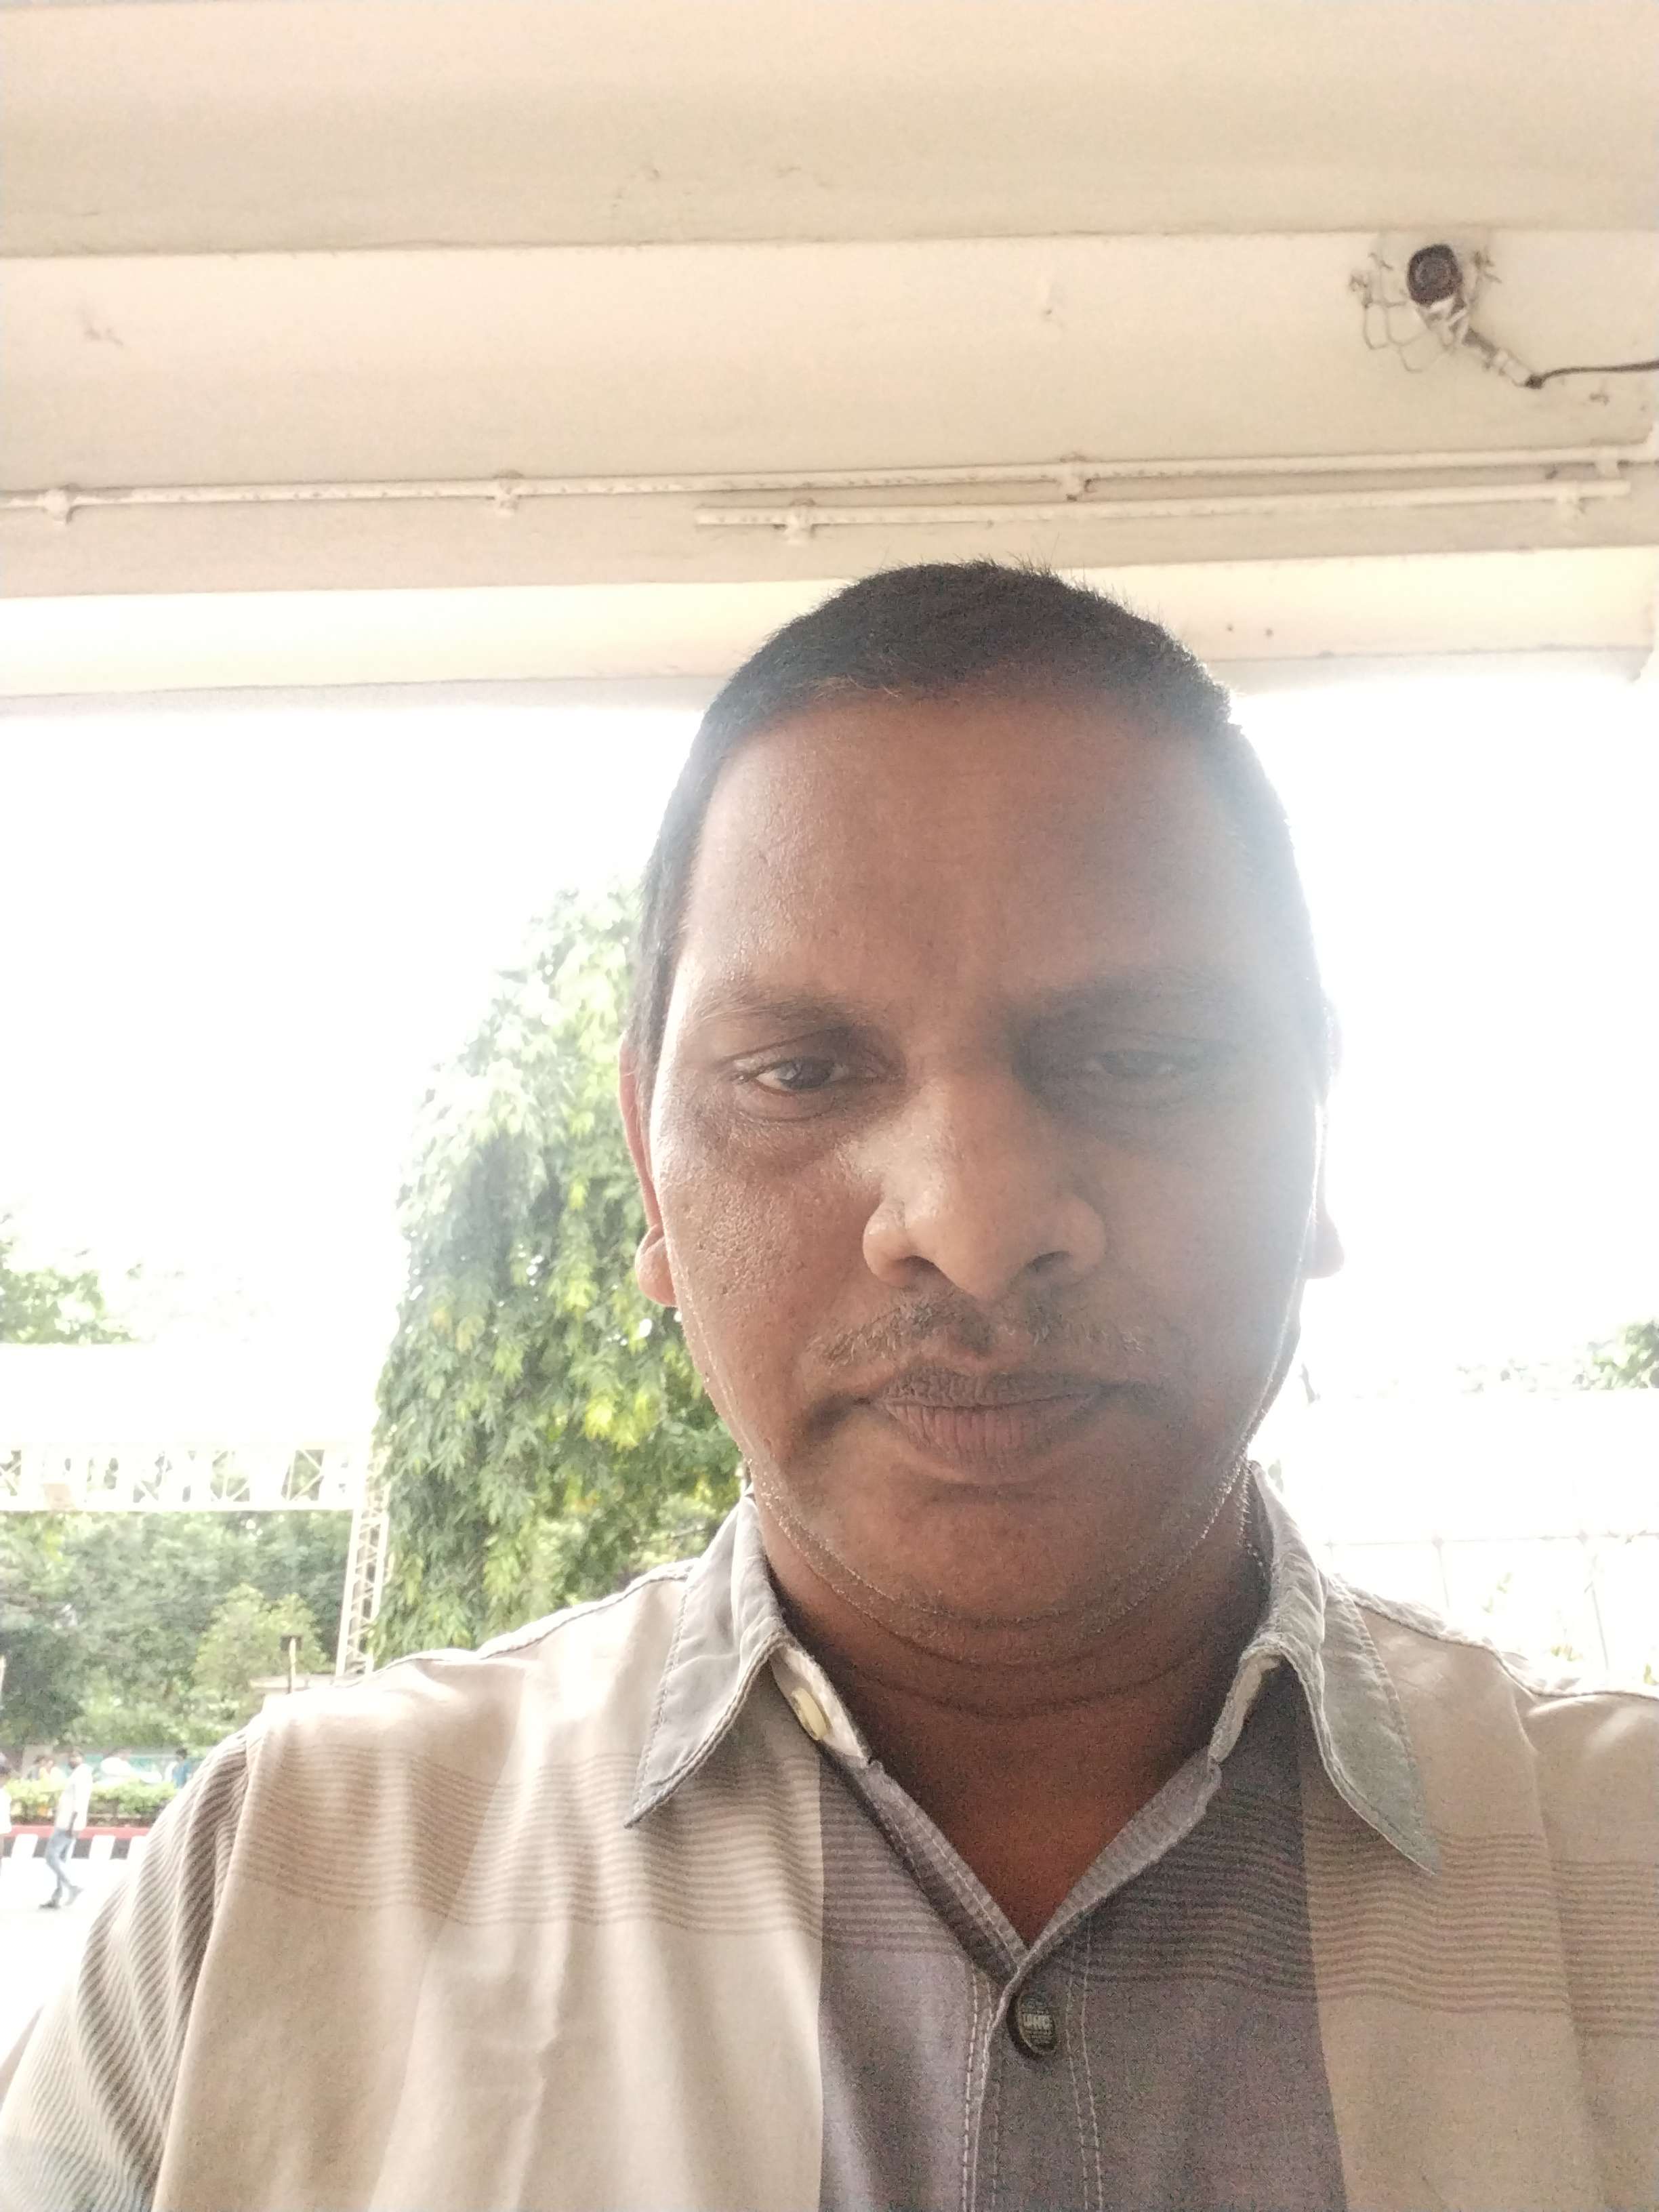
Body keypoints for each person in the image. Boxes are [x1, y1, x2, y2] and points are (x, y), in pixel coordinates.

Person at [1, 562, 1654, 2208]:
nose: (972, 1229)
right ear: (648, 1173)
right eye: (800, 1071)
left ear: (1320, 1140)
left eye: (1137, 1058)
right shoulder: (271, 1885)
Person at [38, 1750, 91, 1913]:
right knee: (62, 1859)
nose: (72, 1759)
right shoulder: (78, 1774)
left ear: (83, 1758)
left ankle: (73, 1885)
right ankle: (58, 1897)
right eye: (70, 1757)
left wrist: (72, 1825)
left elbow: (80, 1802)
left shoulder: (82, 1775)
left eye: (76, 1756)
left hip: (67, 1824)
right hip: (68, 1822)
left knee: (51, 1856)